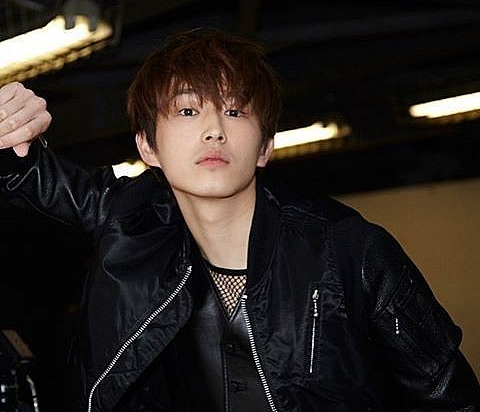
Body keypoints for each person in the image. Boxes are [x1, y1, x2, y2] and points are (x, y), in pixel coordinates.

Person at [1, 29, 479, 412]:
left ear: (265, 146)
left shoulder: (350, 250)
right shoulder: (130, 224)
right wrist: (9, 125)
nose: (214, 130)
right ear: (148, 146)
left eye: (234, 111)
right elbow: (26, 174)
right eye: (188, 110)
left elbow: (449, 396)